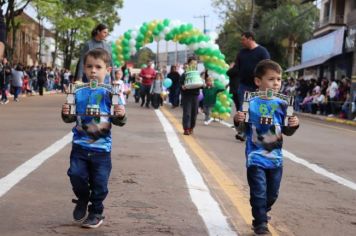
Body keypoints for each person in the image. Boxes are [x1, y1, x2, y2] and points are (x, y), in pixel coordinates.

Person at [61, 48, 127, 228]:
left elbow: (120, 120)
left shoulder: (110, 92)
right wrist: (66, 112)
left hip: (101, 149)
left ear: (108, 70)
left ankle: (96, 211)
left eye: (98, 67)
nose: (93, 71)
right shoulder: (78, 91)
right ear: (83, 68)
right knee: (76, 175)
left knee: (100, 183)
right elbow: (70, 118)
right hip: (80, 147)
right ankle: (82, 198)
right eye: (89, 66)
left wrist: (120, 115)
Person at [234, 60, 299, 235]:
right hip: (255, 156)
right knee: (259, 192)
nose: (276, 83)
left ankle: (262, 212)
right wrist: (238, 119)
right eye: (271, 79)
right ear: (258, 81)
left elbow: (288, 130)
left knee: (272, 194)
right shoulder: (250, 102)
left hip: (276, 159)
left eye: (279, 79)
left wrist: (294, 123)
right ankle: (260, 223)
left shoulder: (285, 103)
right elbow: (242, 129)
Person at [232, 31, 270, 140]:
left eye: (243, 39)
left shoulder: (262, 52)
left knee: (257, 110)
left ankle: (259, 132)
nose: (242, 42)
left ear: (250, 39)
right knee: (243, 109)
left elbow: (268, 68)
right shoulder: (241, 53)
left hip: (259, 87)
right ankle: (242, 132)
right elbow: (237, 68)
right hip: (244, 86)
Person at [179, 57, 203, 135]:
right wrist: (182, 86)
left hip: (195, 96)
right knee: (187, 113)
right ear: (189, 64)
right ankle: (186, 128)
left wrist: (204, 85)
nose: (194, 64)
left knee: (194, 113)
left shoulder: (197, 74)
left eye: (195, 63)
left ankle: (191, 127)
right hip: (187, 96)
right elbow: (180, 83)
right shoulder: (185, 73)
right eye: (192, 63)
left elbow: (201, 84)